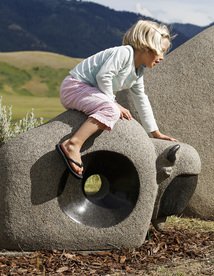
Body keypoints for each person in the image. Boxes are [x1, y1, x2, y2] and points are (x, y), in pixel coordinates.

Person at [56, 20, 177, 179]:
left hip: (87, 91)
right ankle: (73, 144)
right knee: (111, 110)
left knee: (112, 108)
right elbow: (103, 76)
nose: (162, 57)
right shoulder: (124, 53)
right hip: (74, 87)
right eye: (160, 51)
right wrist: (113, 103)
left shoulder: (138, 71)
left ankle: (76, 142)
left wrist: (156, 133)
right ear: (146, 46)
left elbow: (141, 100)